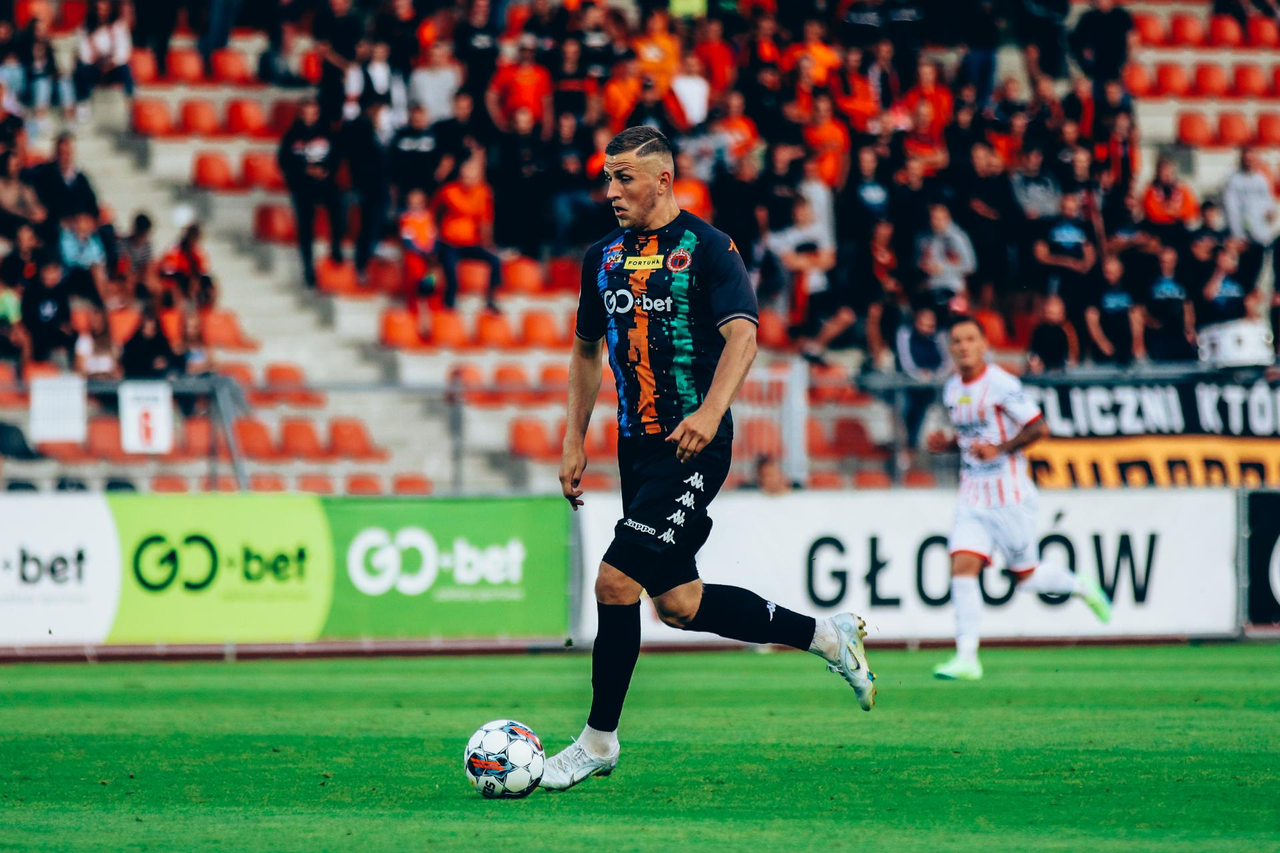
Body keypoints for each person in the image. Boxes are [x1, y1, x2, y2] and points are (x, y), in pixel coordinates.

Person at [545, 126, 877, 792]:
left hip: (694, 444)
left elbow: (743, 337)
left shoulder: (708, 248)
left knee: (615, 582)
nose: (612, 192)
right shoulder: (601, 257)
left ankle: (597, 742)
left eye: (624, 178)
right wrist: (573, 437)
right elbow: (585, 349)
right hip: (637, 449)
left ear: (663, 180)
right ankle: (827, 637)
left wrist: (708, 411)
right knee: (679, 603)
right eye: (608, 178)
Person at [926, 315, 1111, 681]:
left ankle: (1080, 586)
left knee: (1026, 578)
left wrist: (1001, 449)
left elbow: (1038, 427)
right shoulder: (952, 390)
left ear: (984, 345)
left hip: (1008, 494)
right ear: (951, 348)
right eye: (957, 341)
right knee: (962, 566)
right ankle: (967, 658)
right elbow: (969, 437)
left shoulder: (1001, 384)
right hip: (972, 494)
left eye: (970, 339)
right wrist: (947, 445)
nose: (963, 346)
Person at [277, 99, 344, 288]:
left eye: (313, 113)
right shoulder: (292, 135)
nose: (309, 117)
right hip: (302, 186)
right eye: (305, 113)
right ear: (300, 114)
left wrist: (326, 170)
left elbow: (337, 156)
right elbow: (284, 161)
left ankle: (336, 248)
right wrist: (305, 170)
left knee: (338, 207)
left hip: (325, 182)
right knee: (305, 227)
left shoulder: (327, 132)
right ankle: (308, 268)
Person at [72, 0, 134, 120]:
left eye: (104, 10)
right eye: (99, 9)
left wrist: (111, 63)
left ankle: (130, 107)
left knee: (126, 70)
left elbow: (124, 50)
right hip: (94, 67)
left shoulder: (118, 26)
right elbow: (84, 53)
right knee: (81, 70)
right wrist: (98, 63)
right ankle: (83, 104)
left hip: (113, 67)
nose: (101, 13)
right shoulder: (84, 28)